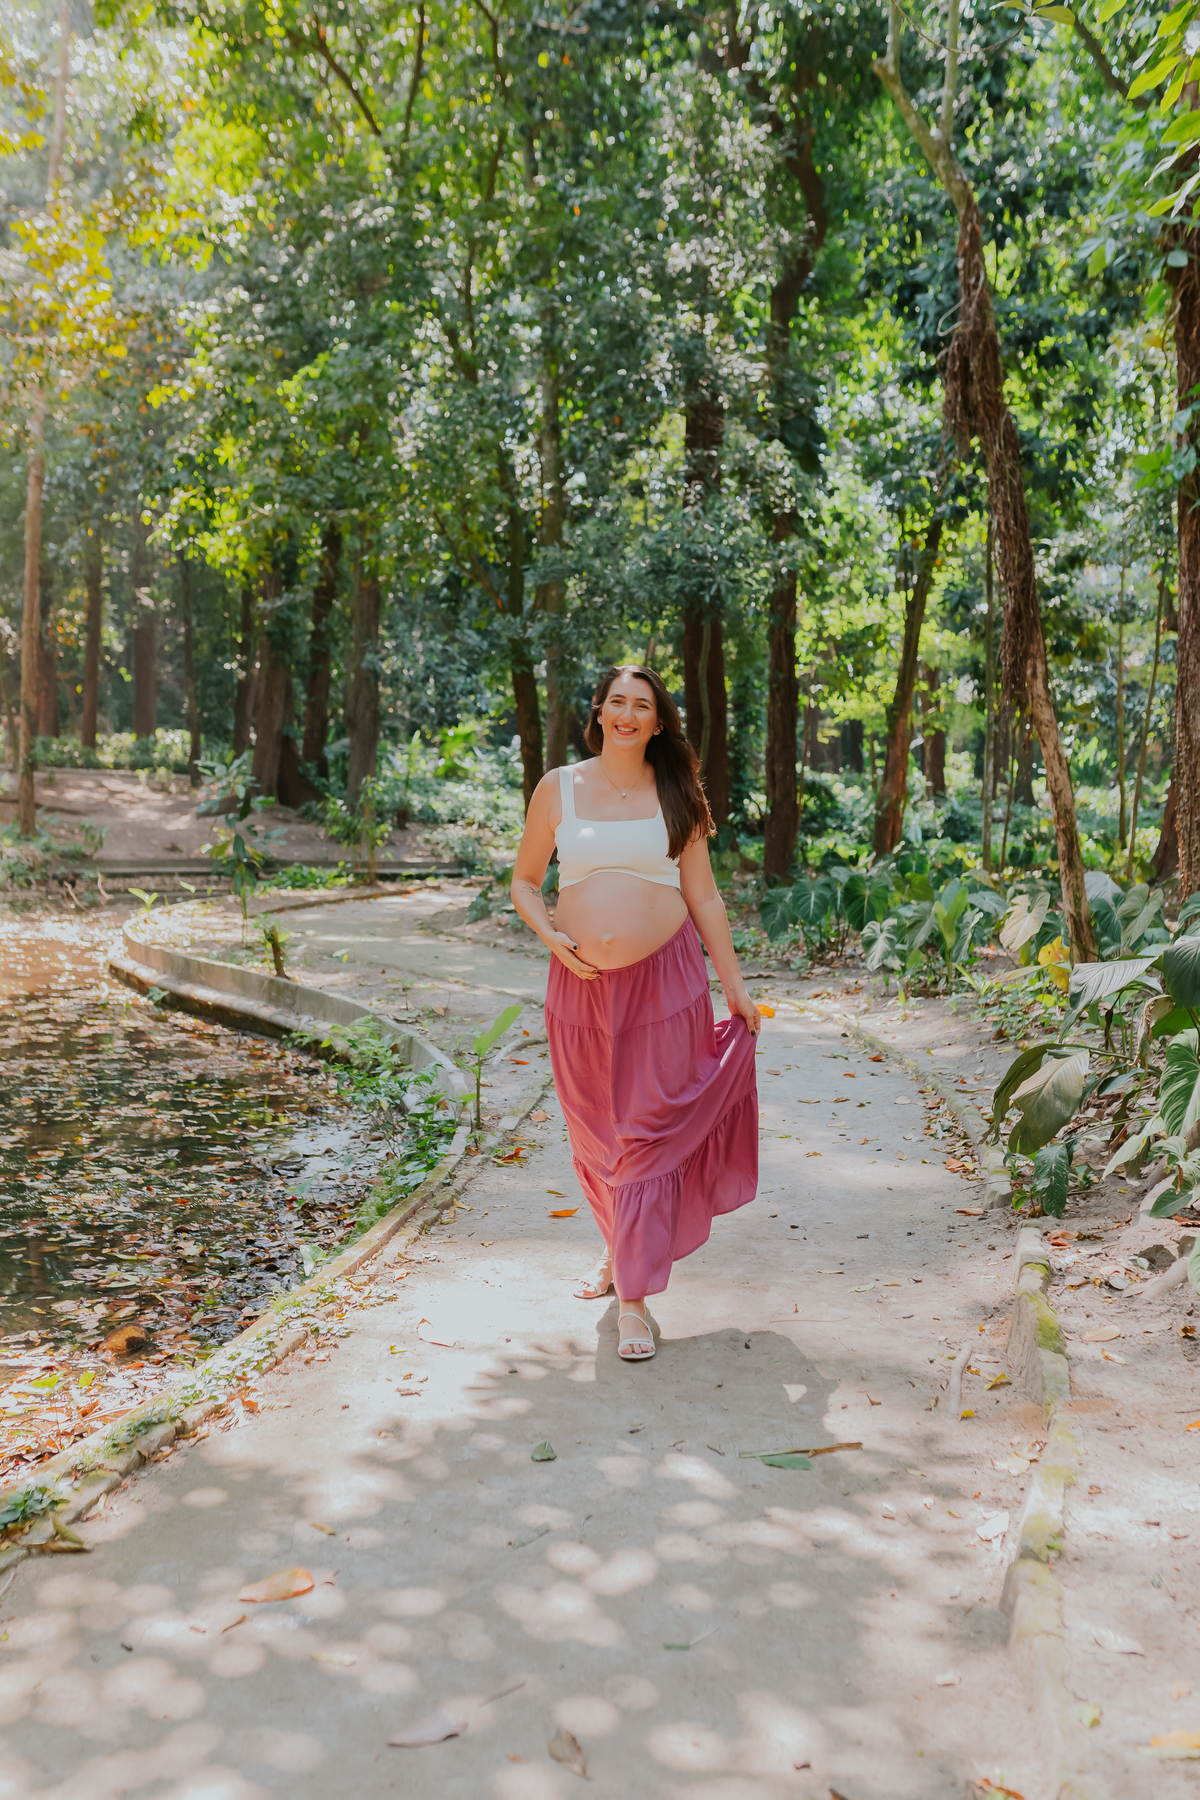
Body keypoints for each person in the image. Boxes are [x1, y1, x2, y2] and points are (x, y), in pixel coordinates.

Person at [510, 664, 761, 1363]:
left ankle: (635, 1301)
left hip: (667, 985)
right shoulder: (558, 787)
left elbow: (705, 897)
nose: (627, 714)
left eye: (641, 705)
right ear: (598, 712)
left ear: (658, 722)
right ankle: (617, 1248)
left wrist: (736, 988)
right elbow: (525, 882)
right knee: (598, 1134)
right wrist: (550, 934)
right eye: (616, 701)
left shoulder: (675, 791)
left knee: (647, 1129)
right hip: (580, 988)